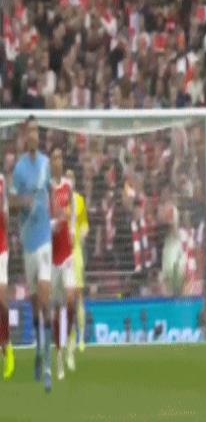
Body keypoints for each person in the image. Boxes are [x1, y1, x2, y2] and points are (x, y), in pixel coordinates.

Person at [9, 117, 53, 392]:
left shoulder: (46, 164)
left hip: (45, 240)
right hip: (28, 244)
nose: (35, 135)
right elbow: (12, 203)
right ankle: (38, 349)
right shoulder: (19, 169)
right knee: (36, 304)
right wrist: (22, 202)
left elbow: (50, 194)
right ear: (26, 136)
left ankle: (47, 365)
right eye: (31, 131)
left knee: (45, 302)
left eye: (38, 130)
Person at [49, 147, 76, 380]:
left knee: (70, 300)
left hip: (67, 253)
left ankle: (69, 346)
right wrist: (55, 224)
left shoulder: (68, 185)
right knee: (57, 309)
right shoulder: (46, 190)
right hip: (52, 257)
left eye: (60, 157)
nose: (58, 161)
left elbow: (73, 211)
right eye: (55, 158)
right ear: (50, 163)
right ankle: (58, 355)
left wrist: (73, 229)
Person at [66, 169, 89, 353]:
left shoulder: (79, 200)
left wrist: (82, 233)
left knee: (79, 296)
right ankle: (72, 336)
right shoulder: (59, 201)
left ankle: (81, 337)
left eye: (71, 178)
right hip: (63, 254)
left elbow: (85, 225)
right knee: (68, 299)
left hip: (76, 253)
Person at [0, 172, 14, 380]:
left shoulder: (1, 181)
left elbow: (6, 215)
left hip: (0, 248)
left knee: (1, 301)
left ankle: (7, 347)